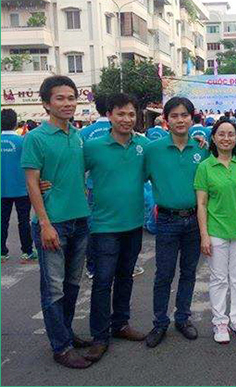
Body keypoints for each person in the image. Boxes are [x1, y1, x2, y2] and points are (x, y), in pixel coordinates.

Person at [21, 75, 93, 369]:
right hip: (53, 223)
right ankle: (61, 347)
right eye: (60, 98)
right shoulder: (35, 138)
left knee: (72, 284)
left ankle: (66, 332)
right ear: (46, 104)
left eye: (71, 98)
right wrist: (44, 223)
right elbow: (32, 183)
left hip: (80, 220)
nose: (67, 103)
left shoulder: (77, 135)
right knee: (53, 288)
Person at [80, 94, 149, 362]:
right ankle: (99, 336)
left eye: (131, 114)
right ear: (109, 115)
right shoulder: (93, 147)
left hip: (134, 224)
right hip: (103, 226)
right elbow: (72, 172)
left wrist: (199, 142)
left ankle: (121, 324)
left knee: (125, 277)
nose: (126, 119)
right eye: (121, 114)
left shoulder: (143, 146)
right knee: (102, 281)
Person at [144, 97, 209, 348]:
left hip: (194, 219)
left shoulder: (201, 149)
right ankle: (160, 323)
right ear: (166, 120)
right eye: (174, 116)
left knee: (189, 272)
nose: (180, 120)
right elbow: (134, 176)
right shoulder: (153, 150)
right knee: (164, 273)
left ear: (192, 119)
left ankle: (183, 318)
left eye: (184, 115)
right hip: (167, 220)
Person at [194, 118, 236, 344]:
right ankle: (220, 322)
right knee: (219, 279)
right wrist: (204, 235)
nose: (226, 138)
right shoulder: (205, 167)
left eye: (231, 134)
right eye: (221, 134)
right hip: (216, 231)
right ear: (213, 138)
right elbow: (201, 203)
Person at [79, 94, 112, 279]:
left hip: (93, 186)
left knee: (94, 226)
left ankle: (92, 267)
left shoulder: (84, 132)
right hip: (118, 187)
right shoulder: (120, 129)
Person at [1, 109, 36, 263]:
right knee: (24, 221)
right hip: (22, 189)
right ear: (16, 123)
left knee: (2, 221)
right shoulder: (23, 142)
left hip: (2, 190)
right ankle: (27, 251)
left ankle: (2, 252)